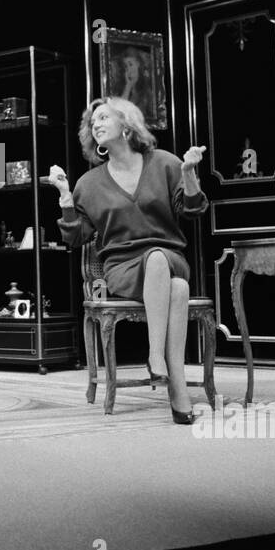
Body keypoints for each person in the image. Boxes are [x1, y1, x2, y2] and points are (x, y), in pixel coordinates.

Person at [49, 97, 208, 423]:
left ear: (126, 125)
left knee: (160, 260)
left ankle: (154, 355)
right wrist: (65, 197)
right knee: (177, 290)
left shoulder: (164, 163)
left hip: (169, 256)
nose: (96, 124)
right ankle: (179, 392)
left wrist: (189, 172)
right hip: (121, 267)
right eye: (93, 121)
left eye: (104, 117)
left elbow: (192, 209)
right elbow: (76, 237)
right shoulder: (89, 183)